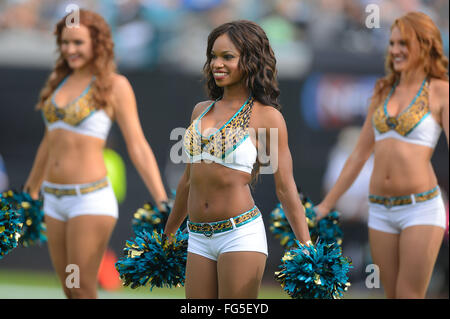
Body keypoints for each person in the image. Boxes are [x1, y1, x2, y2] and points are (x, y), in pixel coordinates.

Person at [23, 9, 168, 299]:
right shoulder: (57, 81)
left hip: (88, 199)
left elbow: (137, 145)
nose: (70, 49)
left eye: (78, 42)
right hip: (54, 199)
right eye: (65, 42)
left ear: (97, 43)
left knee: (81, 287)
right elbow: (48, 142)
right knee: (69, 288)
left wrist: (162, 200)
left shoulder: (115, 85)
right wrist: (31, 192)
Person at [164, 20, 312, 299]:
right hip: (197, 236)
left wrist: (306, 246)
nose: (217, 64)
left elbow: (285, 188)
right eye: (213, 57)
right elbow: (187, 181)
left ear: (251, 60)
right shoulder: (200, 111)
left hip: (239, 234)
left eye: (228, 57)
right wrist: (169, 233)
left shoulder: (267, 117)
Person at [315, 12, 449, 299]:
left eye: (405, 43)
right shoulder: (382, 91)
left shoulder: (440, 92)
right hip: (379, 210)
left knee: (409, 295)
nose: (396, 50)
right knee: (391, 295)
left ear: (425, 45)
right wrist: (326, 205)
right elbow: (358, 156)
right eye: (392, 43)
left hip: (421, 207)